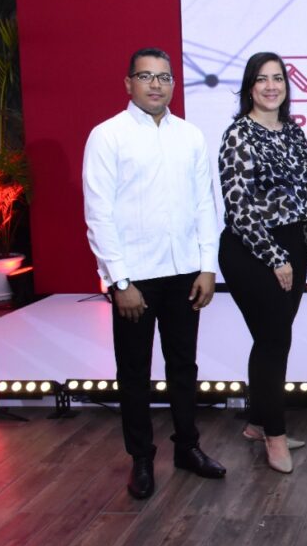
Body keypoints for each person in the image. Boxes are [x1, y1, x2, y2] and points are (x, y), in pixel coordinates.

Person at [83, 47, 226, 500]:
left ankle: (187, 448)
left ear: (173, 85)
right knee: (134, 372)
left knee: (184, 367)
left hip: (185, 272)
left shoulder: (190, 136)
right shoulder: (108, 136)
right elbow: (99, 215)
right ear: (129, 83)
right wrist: (119, 281)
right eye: (146, 76)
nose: (156, 84)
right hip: (135, 278)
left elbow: (205, 205)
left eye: (164, 77)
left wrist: (207, 266)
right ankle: (141, 459)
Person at [217, 52, 307, 474]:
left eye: (278, 78)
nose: (271, 86)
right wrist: (277, 257)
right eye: (262, 79)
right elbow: (239, 208)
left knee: (272, 339)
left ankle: (257, 423)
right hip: (251, 251)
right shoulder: (238, 135)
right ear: (249, 87)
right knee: (274, 340)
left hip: (293, 246)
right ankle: (274, 436)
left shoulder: (294, 132)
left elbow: (305, 196)